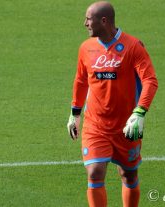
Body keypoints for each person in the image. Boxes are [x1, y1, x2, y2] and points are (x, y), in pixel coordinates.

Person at [67, 1, 158, 206]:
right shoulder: (86, 48)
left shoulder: (133, 46)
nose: (85, 24)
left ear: (104, 21)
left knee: (129, 175)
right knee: (95, 172)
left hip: (126, 127)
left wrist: (139, 113)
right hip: (95, 125)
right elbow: (81, 81)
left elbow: (150, 81)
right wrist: (75, 113)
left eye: (89, 19)